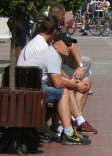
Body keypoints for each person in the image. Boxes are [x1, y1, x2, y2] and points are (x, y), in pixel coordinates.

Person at [17, 18, 90, 146]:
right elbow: (57, 83)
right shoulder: (53, 56)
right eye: (66, 44)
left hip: (27, 87)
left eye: (70, 45)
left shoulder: (50, 53)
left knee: (62, 90)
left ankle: (66, 127)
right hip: (31, 90)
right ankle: (68, 132)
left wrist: (70, 81)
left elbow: (56, 78)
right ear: (55, 44)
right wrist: (76, 85)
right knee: (63, 92)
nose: (69, 47)